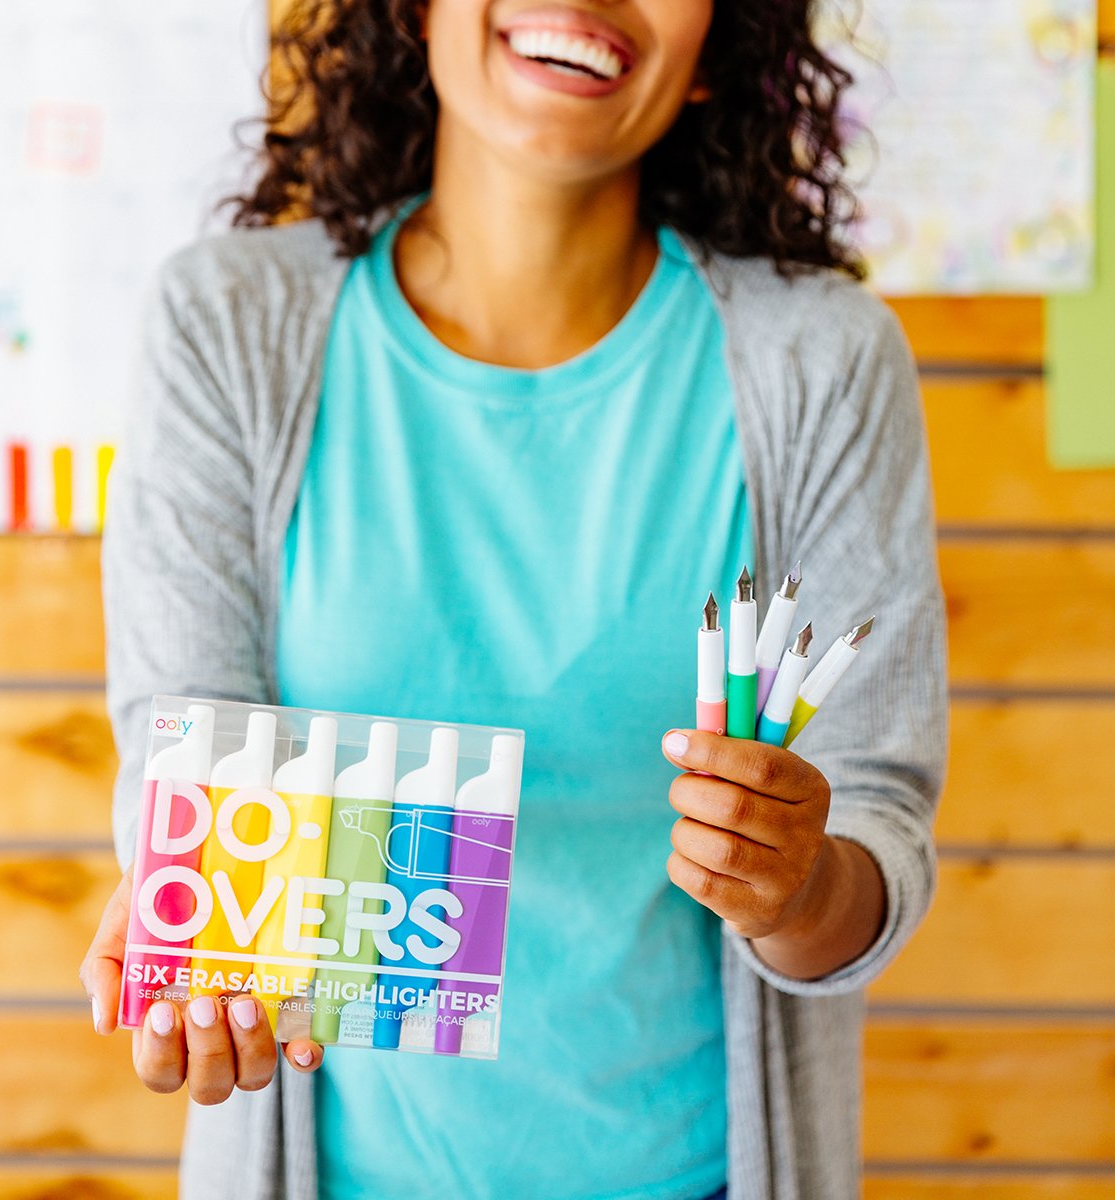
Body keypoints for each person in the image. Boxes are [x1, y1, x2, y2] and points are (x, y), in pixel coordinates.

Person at [79, 1, 948, 1197]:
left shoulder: (826, 362)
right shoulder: (228, 328)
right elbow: (181, 755)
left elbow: (877, 829)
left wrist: (801, 886)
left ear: (717, 52)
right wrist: (185, 945)